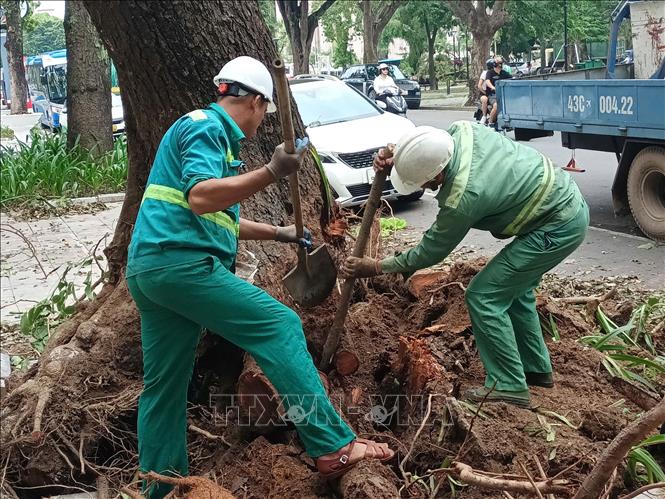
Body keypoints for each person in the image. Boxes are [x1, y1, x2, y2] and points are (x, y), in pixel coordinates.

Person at [127, 56, 394, 498]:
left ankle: (161, 485)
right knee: (279, 325)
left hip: (152, 271)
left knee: (164, 386)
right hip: (182, 267)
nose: (263, 120)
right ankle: (333, 446)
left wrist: (279, 232)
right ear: (253, 101)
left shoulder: (203, 136)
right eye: (264, 111)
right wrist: (271, 172)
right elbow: (199, 198)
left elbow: (214, 212)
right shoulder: (207, 128)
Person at [340, 124, 589, 409]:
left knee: (484, 295)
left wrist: (377, 266)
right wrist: (398, 155)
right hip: (562, 203)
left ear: (437, 174)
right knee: (516, 291)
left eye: (425, 182)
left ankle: (508, 385)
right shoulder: (462, 132)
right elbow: (426, 146)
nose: (425, 188)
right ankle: (535, 369)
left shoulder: (463, 197)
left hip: (558, 225)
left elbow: (431, 251)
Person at [484, 57, 512, 126]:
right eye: (499, 63)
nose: (501, 65)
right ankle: (490, 122)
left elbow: (511, 78)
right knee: (496, 106)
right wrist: (493, 87)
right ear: (495, 64)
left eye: (501, 63)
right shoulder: (490, 73)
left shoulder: (504, 73)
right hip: (493, 95)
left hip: (504, 94)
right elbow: (487, 81)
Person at [476, 58, 494, 124]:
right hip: (484, 93)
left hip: (493, 93)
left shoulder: (496, 73)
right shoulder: (485, 73)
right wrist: (485, 93)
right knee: (484, 99)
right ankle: (484, 116)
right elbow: (479, 86)